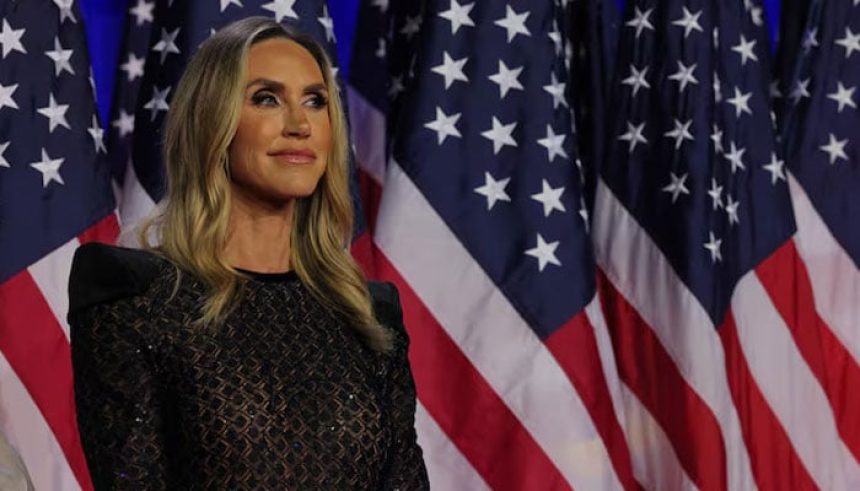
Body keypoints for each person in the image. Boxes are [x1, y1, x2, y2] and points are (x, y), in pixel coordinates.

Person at [67, 17, 429, 490]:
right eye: (266, 98)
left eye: (316, 102)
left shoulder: (367, 314)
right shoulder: (134, 297)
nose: (299, 125)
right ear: (213, 122)